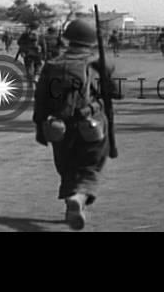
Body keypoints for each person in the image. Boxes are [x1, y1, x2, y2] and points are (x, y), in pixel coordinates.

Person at [33, 19, 119, 230]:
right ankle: (79, 199)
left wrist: (40, 129)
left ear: (68, 39)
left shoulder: (51, 65)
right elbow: (116, 93)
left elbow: (40, 100)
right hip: (91, 123)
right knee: (90, 166)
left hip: (58, 126)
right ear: (90, 41)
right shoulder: (97, 64)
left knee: (67, 167)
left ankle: (71, 202)